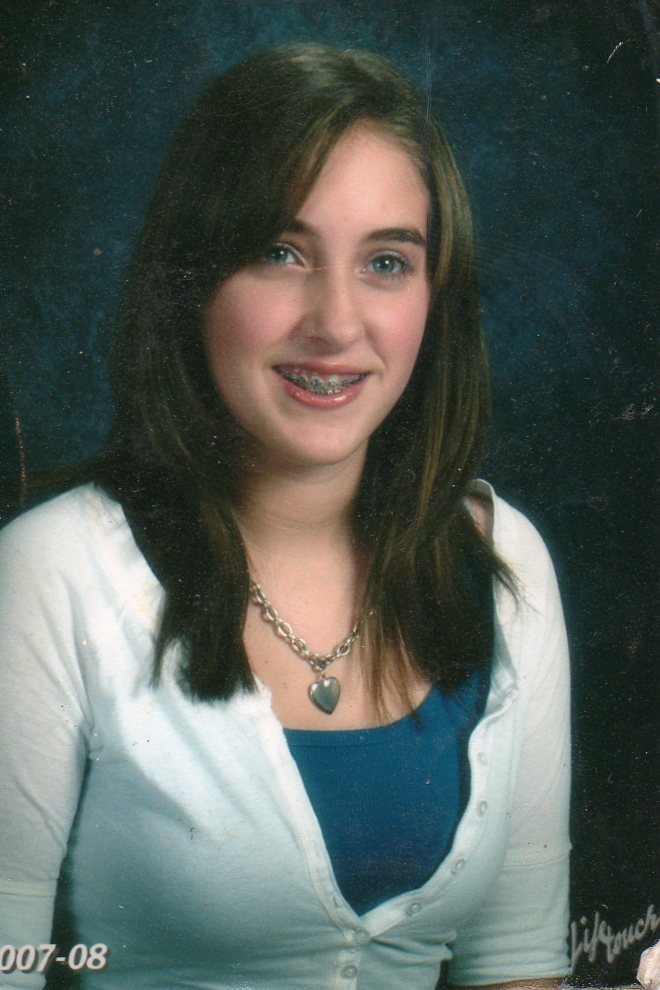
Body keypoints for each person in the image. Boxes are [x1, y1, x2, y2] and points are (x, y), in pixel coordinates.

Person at [0, 44, 571, 990]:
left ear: (436, 296)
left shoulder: (506, 560)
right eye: (280, 252)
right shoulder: (51, 572)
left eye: (386, 262)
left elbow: (519, 962)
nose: (336, 324)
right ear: (191, 279)